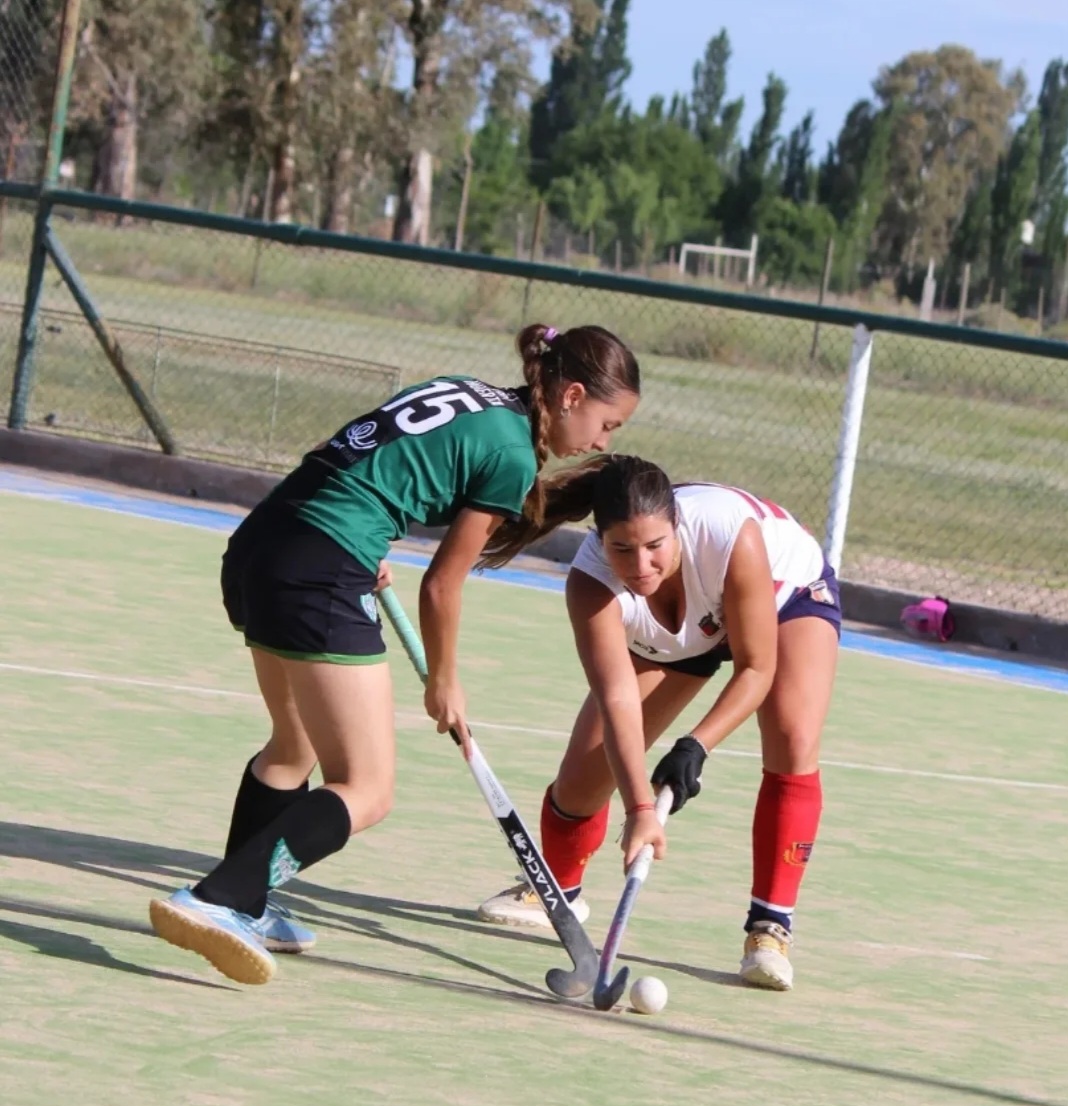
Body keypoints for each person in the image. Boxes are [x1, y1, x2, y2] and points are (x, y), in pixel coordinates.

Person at [148, 324, 641, 985]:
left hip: (261, 545)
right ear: (572, 394)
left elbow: (337, 453)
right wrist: (444, 680)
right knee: (368, 788)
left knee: (291, 748)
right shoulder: (515, 454)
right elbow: (442, 584)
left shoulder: (465, 391)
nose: (604, 442)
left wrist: (367, 538)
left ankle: (249, 902)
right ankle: (218, 899)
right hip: (321, 566)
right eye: (607, 424)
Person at [476, 454, 840, 991]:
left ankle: (770, 926)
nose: (641, 565)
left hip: (786, 599)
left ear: (678, 528)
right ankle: (558, 890)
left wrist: (695, 745)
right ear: (600, 541)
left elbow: (756, 668)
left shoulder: (726, 535)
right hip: (681, 631)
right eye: (622, 549)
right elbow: (618, 698)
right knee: (583, 777)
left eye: (655, 547)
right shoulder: (591, 584)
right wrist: (641, 808)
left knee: (792, 736)